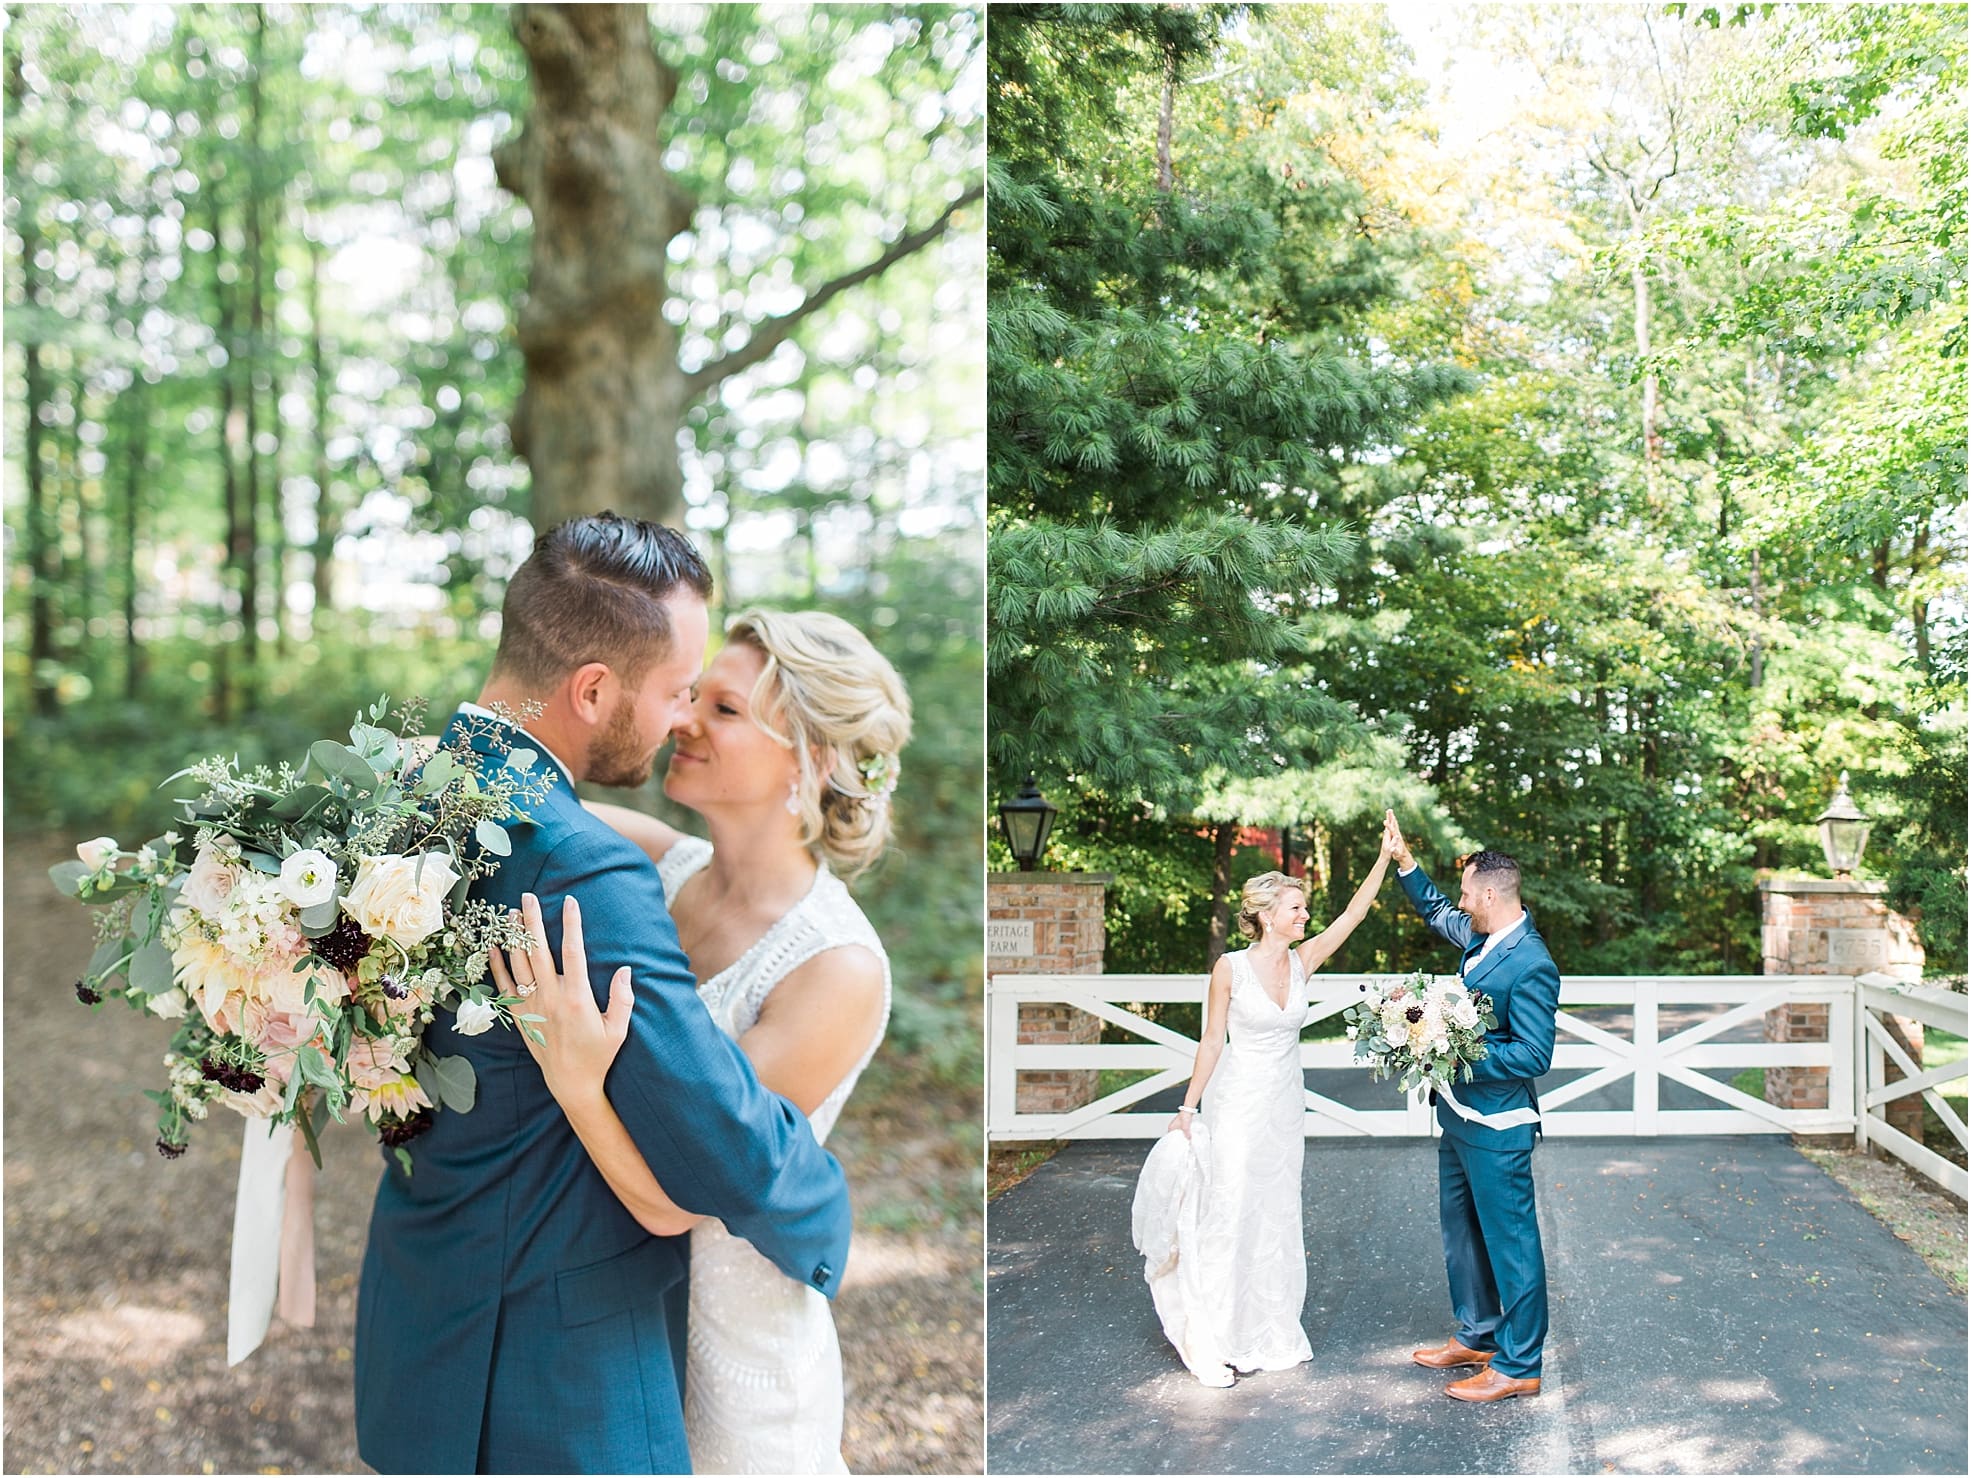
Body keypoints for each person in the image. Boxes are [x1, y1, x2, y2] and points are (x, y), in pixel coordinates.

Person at [352, 514, 853, 1475]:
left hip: (419, 1328)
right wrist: (823, 1202)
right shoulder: (579, 868)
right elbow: (715, 1142)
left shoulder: (402, 798)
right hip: (562, 1382)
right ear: (592, 689)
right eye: (674, 690)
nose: (679, 721)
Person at [493, 608, 910, 1473]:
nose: (680, 719)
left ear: (811, 759)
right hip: (609, 1324)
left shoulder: (834, 968)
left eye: (721, 709)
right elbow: (509, 799)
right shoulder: (653, 864)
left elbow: (684, 1194)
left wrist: (574, 1079)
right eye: (692, 696)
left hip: (736, 1353)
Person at [1132, 831, 1396, 1386]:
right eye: (1296, 908)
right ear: (1268, 915)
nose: (1306, 915)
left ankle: (1270, 1328)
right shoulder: (1229, 968)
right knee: (1231, 1209)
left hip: (1283, 1107)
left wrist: (1382, 857)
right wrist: (1187, 1107)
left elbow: (1354, 914)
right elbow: (1211, 1043)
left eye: (1304, 908)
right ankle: (1219, 1336)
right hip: (1237, 1104)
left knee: (1275, 1213)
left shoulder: (1304, 961)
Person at [1383, 809, 1558, 1403]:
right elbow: (1436, 912)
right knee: (1461, 1233)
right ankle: (1478, 1335)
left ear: (1489, 892)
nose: (1461, 900)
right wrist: (1406, 863)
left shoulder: (1532, 963)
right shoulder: (1482, 938)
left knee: (1512, 1244)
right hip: (1457, 1117)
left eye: (1467, 892)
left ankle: (1519, 1364)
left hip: (1498, 1126)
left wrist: (1452, 1051)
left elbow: (1534, 1054)